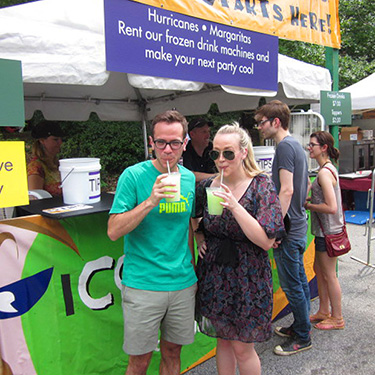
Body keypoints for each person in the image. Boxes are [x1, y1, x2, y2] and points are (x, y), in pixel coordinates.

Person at [107, 110, 197, 375]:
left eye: (175, 143)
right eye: (161, 143)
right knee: (140, 360)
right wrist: (149, 201)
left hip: (182, 282)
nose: (167, 150)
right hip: (144, 283)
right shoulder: (133, 177)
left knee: (173, 353)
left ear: (185, 143)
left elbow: (189, 227)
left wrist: (194, 269)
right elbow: (113, 230)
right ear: (151, 142)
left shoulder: (188, 178)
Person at [193, 123, 285, 375]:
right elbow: (196, 215)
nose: (221, 160)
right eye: (215, 153)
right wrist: (200, 235)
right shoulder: (207, 186)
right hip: (215, 273)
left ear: (244, 152)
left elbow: (266, 241)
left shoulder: (261, 186)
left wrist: (234, 206)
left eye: (228, 153)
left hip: (248, 277)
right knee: (222, 340)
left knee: (243, 348)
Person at [254, 100, 311, 356]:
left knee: (292, 285)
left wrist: (275, 228)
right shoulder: (296, 145)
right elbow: (304, 186)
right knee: (298, 280)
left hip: (289, 230)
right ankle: (301, 325)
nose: (259, 128)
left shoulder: (285, 148)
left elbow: (287, 189)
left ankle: (303, 336)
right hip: (298, 226)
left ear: (275, 122)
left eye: (261, 123)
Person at [304, 131, 345, 330]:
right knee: (319, 271)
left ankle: (337, 318)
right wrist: (312, 201)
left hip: (328, 231)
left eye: (312, 144)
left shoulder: (323, 172)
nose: (309, 147)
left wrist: (308, 206)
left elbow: (331, 206)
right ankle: (323, 310)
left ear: (324, 148)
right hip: (325, 231)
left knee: (329, 274)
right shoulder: (328, 169)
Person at [27, 120, 64, 197]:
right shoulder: (35, 167)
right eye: (55, 139)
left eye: (61, 139)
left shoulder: (57, 163)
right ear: (42, 141)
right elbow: (35, 197)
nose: (60, 142)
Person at [182, 118, 217, 182]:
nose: (208, 135)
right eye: (204, 132)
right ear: (192, 134)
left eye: (208, 131)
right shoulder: (185, 152)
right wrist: (216, 176)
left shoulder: (214, 149)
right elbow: (188, 175)